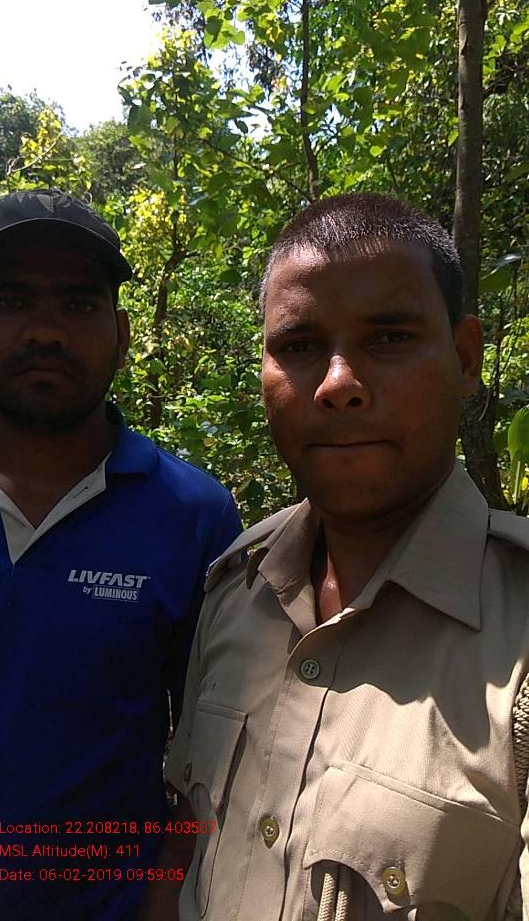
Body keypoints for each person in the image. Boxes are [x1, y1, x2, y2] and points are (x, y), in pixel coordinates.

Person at [166, 192, 529, 920]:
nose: (338, 385)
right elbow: (187, 846)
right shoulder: (236, 590)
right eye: (299, 346)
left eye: (389, 337)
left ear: (465, 359)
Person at [0, 188, 241, 921]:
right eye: (10, 301)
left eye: (78, 304)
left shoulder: (192, 515)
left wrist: (164, 902)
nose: (45, 332)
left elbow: (216, 758)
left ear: (122, 334)